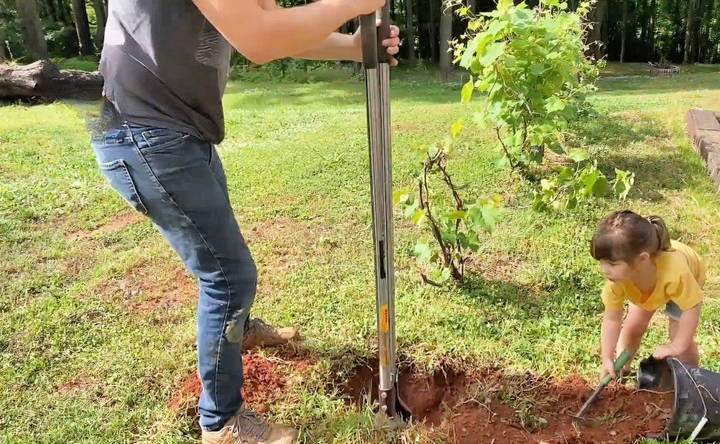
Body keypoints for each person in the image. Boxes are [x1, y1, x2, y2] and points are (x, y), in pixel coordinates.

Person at [91, 1, 401, 443]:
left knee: (225, 264)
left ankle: (241, 330)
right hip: (147, 134)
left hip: (171, 132)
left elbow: (266, 25)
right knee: (228, 277)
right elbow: (260, 38)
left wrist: (353, 47)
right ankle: (222, 422)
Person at [590, 210, 706, 381]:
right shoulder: (617, 280)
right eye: (601, 262)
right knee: (634, 327)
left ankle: (692, 380)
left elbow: (691, 309)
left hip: (688, 278)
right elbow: (612, 319)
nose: (604, 270)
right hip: (642, 280)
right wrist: (607, 357)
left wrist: (676, 346)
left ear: (643, 259)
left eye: (612, 263)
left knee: (681, 335)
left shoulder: (677, 273)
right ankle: (621, 371)